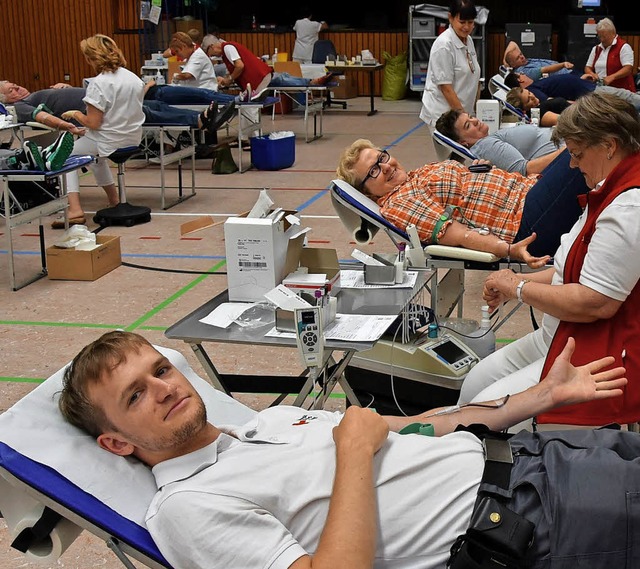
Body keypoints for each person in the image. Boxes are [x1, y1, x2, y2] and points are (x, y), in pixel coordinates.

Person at [58, 329, 640, 569]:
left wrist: (533, 399)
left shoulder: (272, 422)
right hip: (528, 520)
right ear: (115, 441)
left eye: (161, 369)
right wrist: (354, 453)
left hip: (534, 455)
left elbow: (420, 427)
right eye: (136, 395)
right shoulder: (187, 506)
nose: (165, 388)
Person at [459, 92, 640, 430]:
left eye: (577, 154)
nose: (572, 164)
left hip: (594, 348)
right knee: (472, 387)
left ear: (610, 146)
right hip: (561, 333)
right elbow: (573, 274)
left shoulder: (629, 207)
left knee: (481, 422)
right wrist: (509, 282)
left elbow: (595, 302)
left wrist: (520, 287)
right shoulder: (608, 189)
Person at [336, 138, 588, 260]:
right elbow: (459, 235)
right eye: (373, 172)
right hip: (526, 222)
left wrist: (479, 174)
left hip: (529, 193)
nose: (386, 167)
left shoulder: (414, 177)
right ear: (367, 192)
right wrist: (509, 250)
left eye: (381, 158)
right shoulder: (399, 203)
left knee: (587, 139)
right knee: (587, 143)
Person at [54, 34, 145, 228]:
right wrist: (86, 131)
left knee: (64, 157)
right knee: (95, 157)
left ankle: (75, 209)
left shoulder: (99, 83)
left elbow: (93, 123)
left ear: (90, 57)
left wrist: (76, 114)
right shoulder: (134, 78)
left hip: (109, 140)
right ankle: (114, 200)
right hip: (132, 138)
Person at [0, 80, 235, 137]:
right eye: (11, 90)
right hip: (97, 113)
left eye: (15, 84)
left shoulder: (40, 92)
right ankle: (198, 121)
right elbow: (41, 117)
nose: (18, 89)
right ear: (6, 100)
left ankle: (201, 118)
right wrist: (67, 126)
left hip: (107, 100)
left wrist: (66, 88)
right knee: (148, 111)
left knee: (155, 103)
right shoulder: (22, 106)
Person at [435, 108, 570, 175]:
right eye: (468, 125)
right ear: (463, 142)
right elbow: (524, 170)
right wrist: (570, 149)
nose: (475, 120)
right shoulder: (483, 146)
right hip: (570, 154)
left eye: (470, 117)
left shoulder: (487, 140)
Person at [419, 0, 481, 127]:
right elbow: (446, 88)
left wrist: (473, 112)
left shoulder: (468, 40)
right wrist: (464, 119)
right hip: (444, 115)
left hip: (462, 114)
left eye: (470, 22)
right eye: (462, 22)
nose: (467, 27)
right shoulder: (444, 45)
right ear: (450, 18)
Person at [504, 69, 640, 112]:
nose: (532, 96)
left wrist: (580, 79)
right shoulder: (532, 89)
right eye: (520, 74)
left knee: (629, 101)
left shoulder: (535, 87)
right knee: (629, 99)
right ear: (520, 80)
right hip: (592, 94)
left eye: (530, 95)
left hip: (588, 89)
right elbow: (553, 102)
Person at [583, 18, 636, 92]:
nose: (602, 39)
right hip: (602, 90)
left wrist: (612, 77)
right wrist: (592, 74)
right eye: (599, 36)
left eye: (604, 36)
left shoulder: (624, 47)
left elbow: (628, 68)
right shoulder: (596, 49)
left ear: (613, 34)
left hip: (621, 91)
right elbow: (588, 67)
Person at [503, 40, 574, 81]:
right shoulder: (524, 71)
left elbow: (512, 43)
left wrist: (505, 61)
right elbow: (545, 69)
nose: (521, 57)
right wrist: (563, 64)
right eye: (517, 58)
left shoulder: (525, 62)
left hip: (568, 71)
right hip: (567, 77)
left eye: (521, 54)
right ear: (513, 65)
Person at [505, 86, 570, 127]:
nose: (532, 96)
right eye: (528, 100)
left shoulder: (540, 104)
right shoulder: (538, 113)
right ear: (524, 110)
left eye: (529, 93)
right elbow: (566, 121)